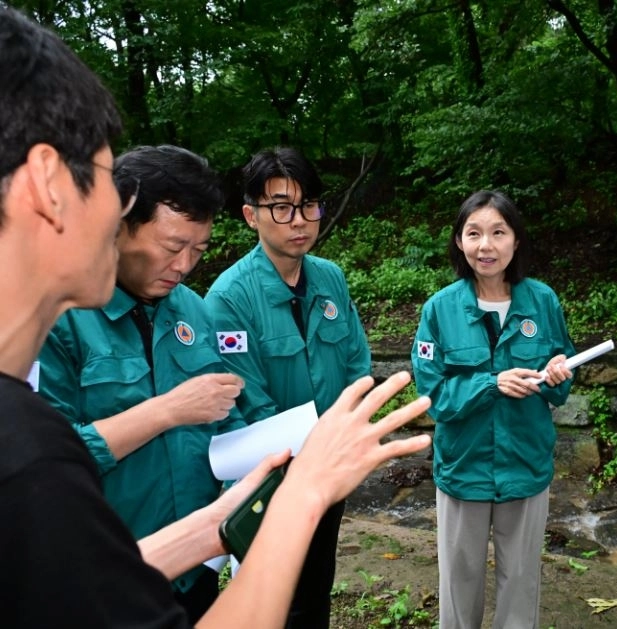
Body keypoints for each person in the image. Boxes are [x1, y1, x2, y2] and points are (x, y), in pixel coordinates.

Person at [0, 6, 430, 627]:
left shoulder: (201, 312)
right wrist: (302, 492)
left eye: (196, 251)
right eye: (103, 180)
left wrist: (217, 529)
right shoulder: (28, 439)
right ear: (47, 184)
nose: (113, 212)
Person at [34, 143, 249, 621]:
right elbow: (48, 465)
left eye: (199, 249)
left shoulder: (194, 309)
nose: (186, 265)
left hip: (198, 563)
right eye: (174, 247)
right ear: (119, 224)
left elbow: (224, 414)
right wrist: (166, 411)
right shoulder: (59, 318)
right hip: (107, 569)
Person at [204, 147, 371, 627]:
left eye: (308, 205)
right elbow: (248, 402)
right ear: (250, 216)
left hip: (329, 473)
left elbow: (357, 365)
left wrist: (342, 442)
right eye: (280, 207)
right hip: (271, 482)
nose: (298, 220)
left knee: (318, 588)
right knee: (276, 602)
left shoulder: (330, 278)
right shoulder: (229, 298)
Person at [411, 190, 575, 629]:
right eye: (474, 233)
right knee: (459, 584)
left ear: (516, 241)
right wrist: (491, 383)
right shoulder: (439, 310)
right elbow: (432, 396)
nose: (486, 245)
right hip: (464, 468)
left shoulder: (542, 302)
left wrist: (559, 376)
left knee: (520, 583)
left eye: (498, 233)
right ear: (460, 242)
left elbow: (561, 380)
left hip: (526, 464)